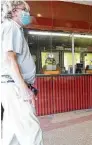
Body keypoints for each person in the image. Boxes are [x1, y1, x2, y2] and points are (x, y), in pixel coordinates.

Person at [1, 1, 43, 144]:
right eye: (24, 10)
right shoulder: (11, 27)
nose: (28, 14)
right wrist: (24, 88)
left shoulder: (11, 28)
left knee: (11, 132)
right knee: (32, 131)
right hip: (14, 86)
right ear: (13, 11)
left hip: (10, 85)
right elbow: (10, 59)